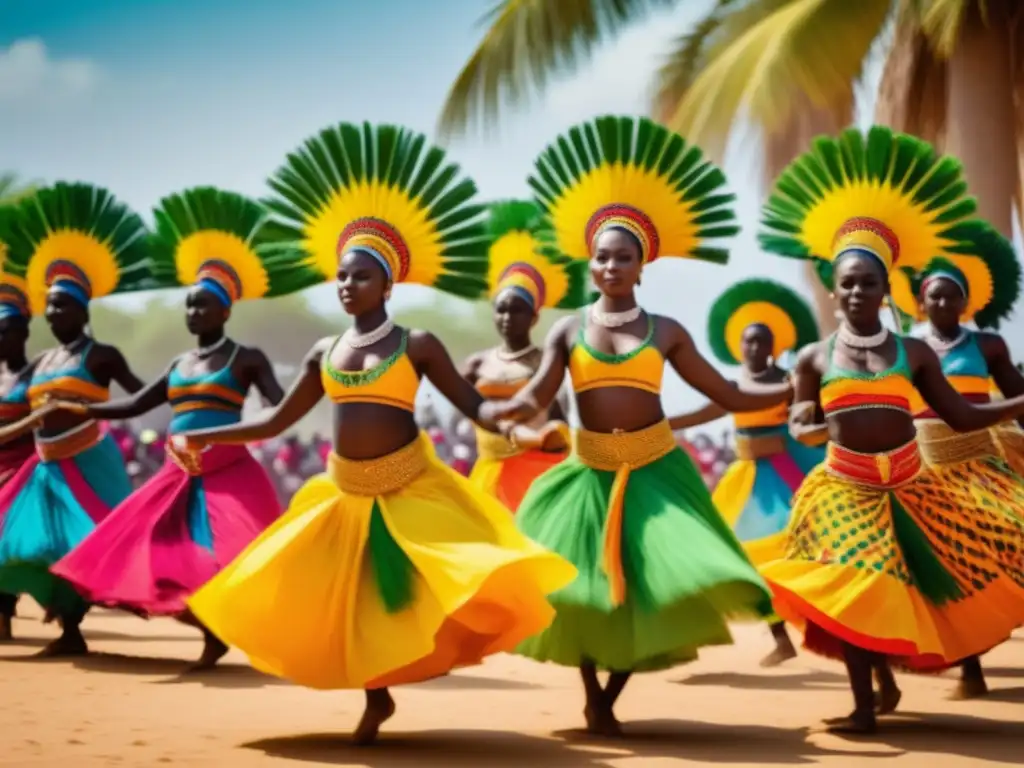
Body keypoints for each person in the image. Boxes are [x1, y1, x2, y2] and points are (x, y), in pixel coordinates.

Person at [177, 122, 576, 744]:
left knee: (436, 587)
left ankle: (381, 695)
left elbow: (478, 409)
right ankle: (376, 697)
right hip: (344, 493)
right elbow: (279, 421)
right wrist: (212, 434)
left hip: (409, 488)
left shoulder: (416, 344)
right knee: (338, 600)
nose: (347, 285)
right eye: (341, 276)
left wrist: (533, 424)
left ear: (387, 285)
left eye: (360, 277)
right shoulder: (322, 350)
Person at [484, 115, 792, 735]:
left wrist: (806, 390)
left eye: (623, 257)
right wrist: (504, 415)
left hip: (656, 470)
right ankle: (592, 693)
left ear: (641, 265)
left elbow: (727, 391)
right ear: (590, 265)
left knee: (652, 589)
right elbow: (540, 393)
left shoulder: (668, 331)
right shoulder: (568, 329)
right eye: (602, 257)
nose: (611, 266)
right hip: (586, 472)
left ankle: (610, 695)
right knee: (583, 591)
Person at [758, 126, 1024, 734]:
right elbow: (800, 417)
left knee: (926, 583)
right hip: (844, 487)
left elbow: (958, 415)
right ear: (833, 288)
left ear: (884, 290)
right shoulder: (813, 357)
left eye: (868, 282)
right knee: (856, 582)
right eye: (846, 282)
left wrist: (1013, 408)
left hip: (910, 481)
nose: (856, 291)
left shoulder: (915, 353)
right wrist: (807, 426)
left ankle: (901, 682)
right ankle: (865, 702)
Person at [49, 187, 318, 668]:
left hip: (229, 474)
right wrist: (86, 409)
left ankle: (240, 632)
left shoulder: (245, 359)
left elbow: (281, 408)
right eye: (189, 306)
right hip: (177, 475)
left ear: (225, 311)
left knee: (235, 558)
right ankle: (210, 630)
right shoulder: (180, 363)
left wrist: (320, 383)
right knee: (153, 558)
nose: (194, 313)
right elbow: (134, 403)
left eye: (203, 305)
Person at [0, 182, 150, 656]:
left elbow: (144, 394)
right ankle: (57, 622)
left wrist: (183, 406)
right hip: (44, 470)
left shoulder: (102, 355)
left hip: (88, 461)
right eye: (49, 304)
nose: (54, 311)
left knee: (87, 546)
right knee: (29, 546)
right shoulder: (39, 362)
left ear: (83, 309)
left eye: (63, 304)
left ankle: (72, 631)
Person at [888, 230, 1024, 699]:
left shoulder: (987, 346)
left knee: (1008, 547)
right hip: (926, 471)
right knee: (952, 567)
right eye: (935, 296)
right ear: (921, 303)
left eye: (953, 296)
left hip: (981, 463)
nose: (944, 303)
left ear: (965, 302)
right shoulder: (905, 348)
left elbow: (1015, 398)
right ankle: (970, 667)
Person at [669, 278, 825, 667]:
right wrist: (661, 420)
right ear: (738, 346)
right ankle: (779, 636)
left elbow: (811, 414)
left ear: (775, 347)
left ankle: (822, 626)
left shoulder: (788, 383)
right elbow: (705, 413)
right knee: (740, 556)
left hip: (786, 474)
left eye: (761, 341)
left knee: (801, 548)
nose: (754, 347)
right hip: (743, 482)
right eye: (748, 341)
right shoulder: (730, 385)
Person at [462, 199, 590, 511]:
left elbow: (561, 418)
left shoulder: (546, 362)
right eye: (501, 309)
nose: (508, 317)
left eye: (517, 310)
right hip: (487, 473)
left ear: (534, 317)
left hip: (535, 473)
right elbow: (466, 410)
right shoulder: (476, 364)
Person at [0, 273, 34, 640]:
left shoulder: (39, 373)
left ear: (24, 332)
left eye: (6, 330)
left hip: (26, 469)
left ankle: (5, 609)